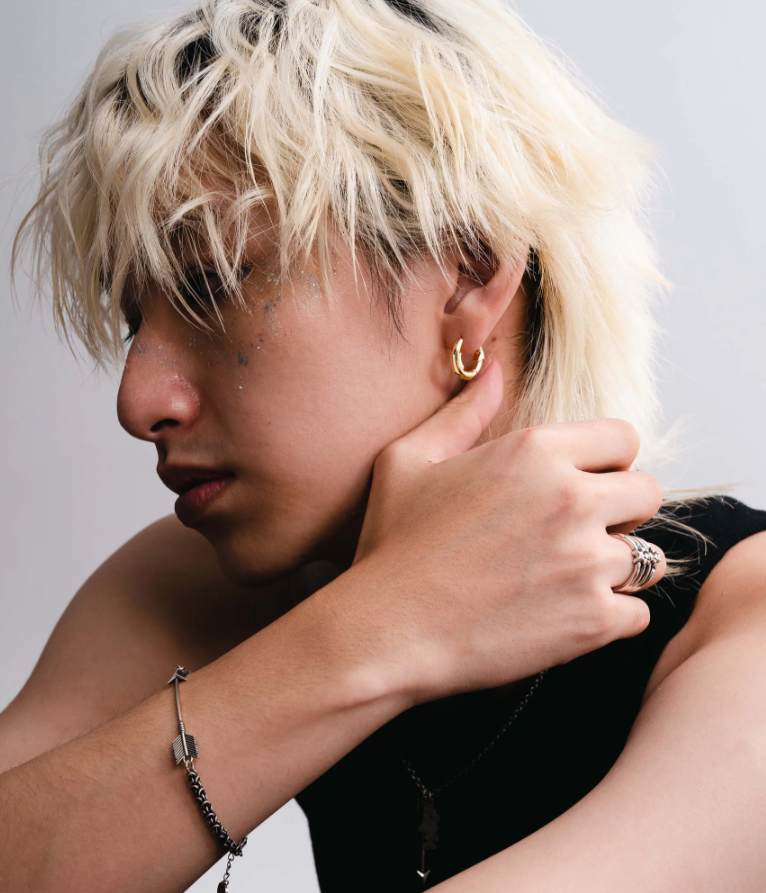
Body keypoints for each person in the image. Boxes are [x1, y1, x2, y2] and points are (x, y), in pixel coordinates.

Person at [3, 0, 766, 890]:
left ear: (468, 270)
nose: (138, 401)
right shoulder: (201, 580)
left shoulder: (745, 626)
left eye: (211, 284)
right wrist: (380, 625)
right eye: (135, 319)